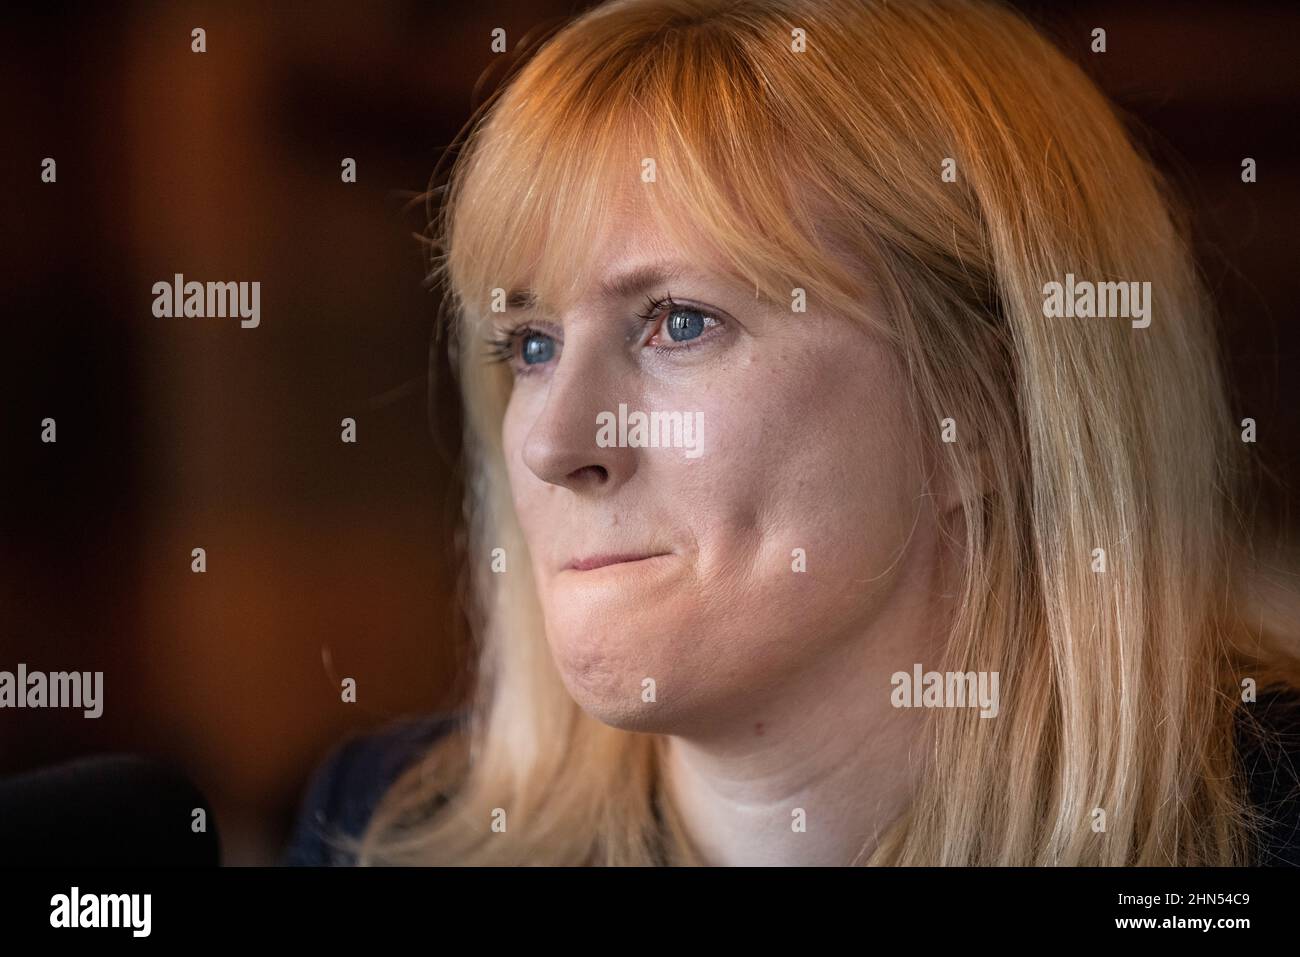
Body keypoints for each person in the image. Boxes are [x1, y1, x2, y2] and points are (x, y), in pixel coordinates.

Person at [285, 0, 1300, 866]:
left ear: (984, 414)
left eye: (680, 321)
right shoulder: (377, 831)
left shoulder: (1263, 832)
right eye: (531, 344)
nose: (553, 447)